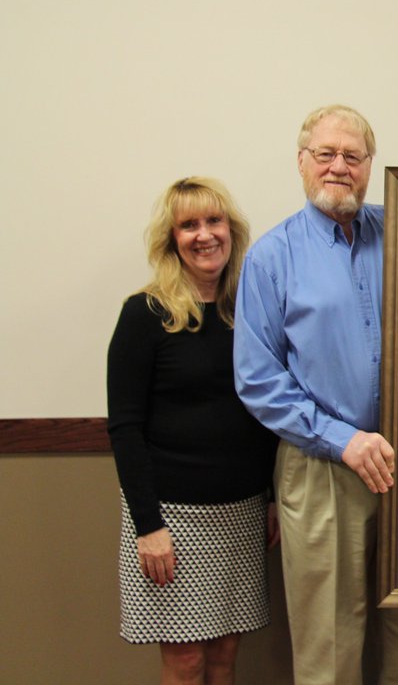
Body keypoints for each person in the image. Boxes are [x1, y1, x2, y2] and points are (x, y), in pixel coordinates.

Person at [234, 105, 398, 684]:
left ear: (371, 166)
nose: (339, 167)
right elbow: (258, 379)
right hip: (323, 465)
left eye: (353, 156)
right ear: (302, 162)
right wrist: (341, 439)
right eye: (326, 154)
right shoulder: (272, 256)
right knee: (330, 644)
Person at [107, 177, 278, 685]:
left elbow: (266, 411)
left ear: (231, 230)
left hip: (242, 513)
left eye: (214, 221)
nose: (204, 235)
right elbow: (125, 427)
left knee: (225, 656)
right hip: (172, 521)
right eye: (189, 225)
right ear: (172, 240)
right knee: (185, 663)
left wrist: (271, 498)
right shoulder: (145, 314)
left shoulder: (249, 310)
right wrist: (148, 527)